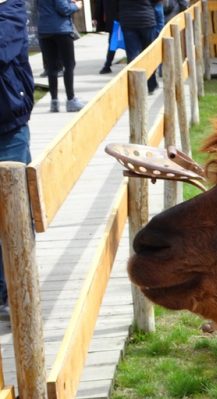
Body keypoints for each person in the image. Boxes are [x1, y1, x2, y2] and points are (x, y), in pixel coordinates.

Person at [0, 0, 35, 316]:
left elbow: (2, 50)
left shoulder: (9, 10)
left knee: (15, 216)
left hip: (8, 130)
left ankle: (17, 295)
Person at [37, 0, 86, 112]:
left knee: (51, 67)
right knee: (69, 65)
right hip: (61, 30)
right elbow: (63, 9)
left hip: (45, 30)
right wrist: (75, 6)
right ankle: (70, 99)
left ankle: (54, 101)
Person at [115, 0, 160, 93]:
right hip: (146, 18)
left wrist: (119, 15)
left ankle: (136, 87)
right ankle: (151, 84)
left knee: (133, 55)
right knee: (148, 54)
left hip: (128, 20)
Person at [93, 0, 118, 74]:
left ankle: (107, 65)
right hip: (117, 19)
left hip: (117, 19)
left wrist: (96, 17)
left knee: (113, 43)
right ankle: (107, 65)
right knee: (113, 42)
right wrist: (96, 16)